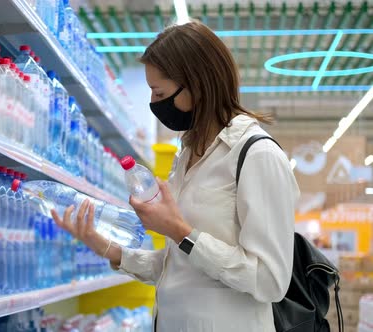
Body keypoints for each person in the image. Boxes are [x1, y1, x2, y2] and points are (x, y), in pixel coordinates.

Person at [51, 21, 300, 332]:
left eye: (160, 92)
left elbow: (270, 280)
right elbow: (180, 267)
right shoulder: (187, 156)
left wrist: (181, 231)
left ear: (197, 84)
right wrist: (105, 247)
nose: (154, 104)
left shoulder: (257, 155)